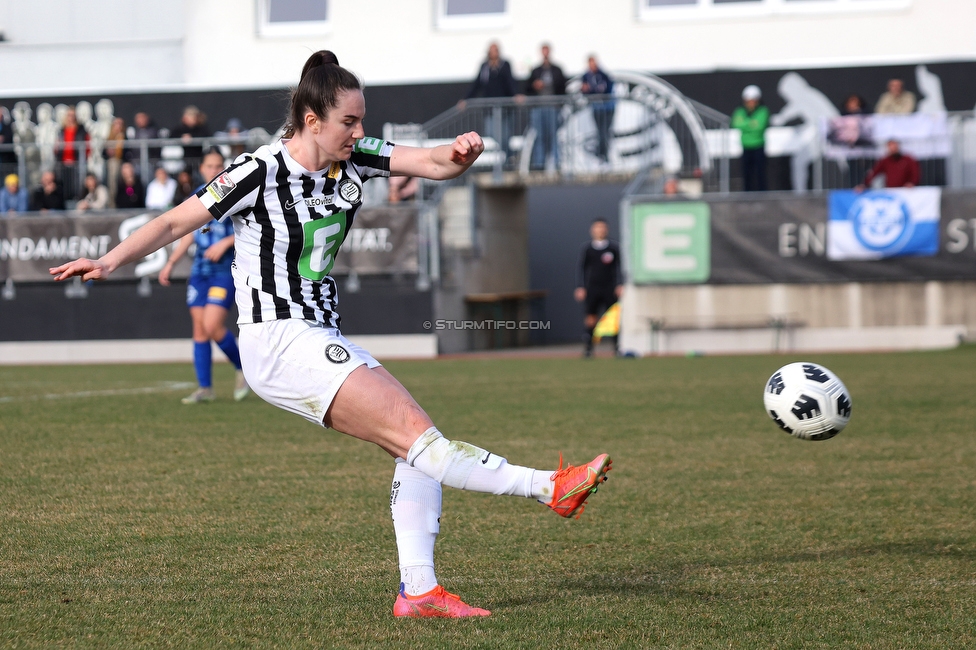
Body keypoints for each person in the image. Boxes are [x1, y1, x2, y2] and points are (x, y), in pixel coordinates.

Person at [50, 50, 613, 619]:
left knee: (414, 449)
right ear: (312, 121)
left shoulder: (358, 158)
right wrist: (108, 260)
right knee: (424, 443)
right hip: (278, 338)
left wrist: (462, 154)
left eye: (362, 120)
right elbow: (175, 221)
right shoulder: (260, 170)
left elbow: (435, 163)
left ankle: (418, 591)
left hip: (316, 334)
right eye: (349, 121)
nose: (360, 132)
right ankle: (550, 487)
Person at [158, 148, 249, 405]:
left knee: (212, 326)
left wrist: (226, 242)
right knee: (199, 329)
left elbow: (251, 228)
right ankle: (205, 388)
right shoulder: (195, 197)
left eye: (219, 165)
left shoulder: (235, 193)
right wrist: (171, 263)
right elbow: (187, 233)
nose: (215, 170)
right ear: (202, 169)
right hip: (199, 273)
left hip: (223, 272)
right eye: (210, 166)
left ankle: (243, 368)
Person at [459, 42, 520, 159]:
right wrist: (466, 99)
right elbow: (477, 85)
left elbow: (510, 82)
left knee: (505, 135)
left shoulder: (504, 65)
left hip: (504, 108)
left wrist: (515, 94)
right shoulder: (484, 67)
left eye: (496, 50)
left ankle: (508, 160)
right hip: (490, 109)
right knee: (491, 131)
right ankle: (511, 155)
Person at [574, 218, 623, 358]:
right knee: (591, 317)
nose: (600, 230)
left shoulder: (613, 248)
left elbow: (619, 267)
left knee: (613, 318)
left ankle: (617, 348)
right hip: (593, 288)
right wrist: (580, 287)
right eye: (597, 227)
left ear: (606, 229)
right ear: (592, 230)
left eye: (602, 227)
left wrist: (620, 284)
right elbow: (581, 268)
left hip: (610, 288)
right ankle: (589, 348)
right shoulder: (587, 249)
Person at [525, 43, 567, 171]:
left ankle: (556, 164)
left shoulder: (557, 70)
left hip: (553, 108)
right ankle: (540, 165)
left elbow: (562, 87)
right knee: (540, 137)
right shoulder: (536, 71)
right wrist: (534, 85)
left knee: (553, 137)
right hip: (539, 108)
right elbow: (527, 88)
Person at [731, 85, 769, 192]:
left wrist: (745, 124)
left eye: (753, 100)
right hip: (746, 146)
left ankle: (763, 195)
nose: (750, 103)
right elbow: (736, 123)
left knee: (760, 173)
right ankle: (747, 195)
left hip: (759, 146)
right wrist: (751, 124)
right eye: (748, 101)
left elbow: (760, 126)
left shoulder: (763, 111)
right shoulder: (740, 111)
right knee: (747, 174)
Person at [580, 55, 615, 164]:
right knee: (600, 131)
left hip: (607, 108)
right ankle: (602, 154)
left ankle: (604, 154)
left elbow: (608, 88)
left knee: (605, 131)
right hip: (596, 108)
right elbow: (585, 91)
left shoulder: (603, 75)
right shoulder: (586, 76)